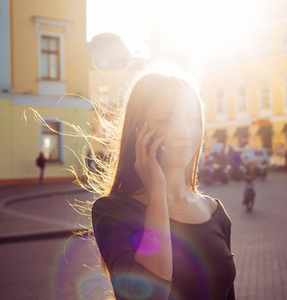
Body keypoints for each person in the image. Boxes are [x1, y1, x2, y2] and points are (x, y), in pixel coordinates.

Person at [91, 69, 236, 299]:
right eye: (167, 120)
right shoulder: (112, 212)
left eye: (192, 120)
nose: (186, 133)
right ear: (139, 131)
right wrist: (157, 193)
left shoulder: (215, 212)